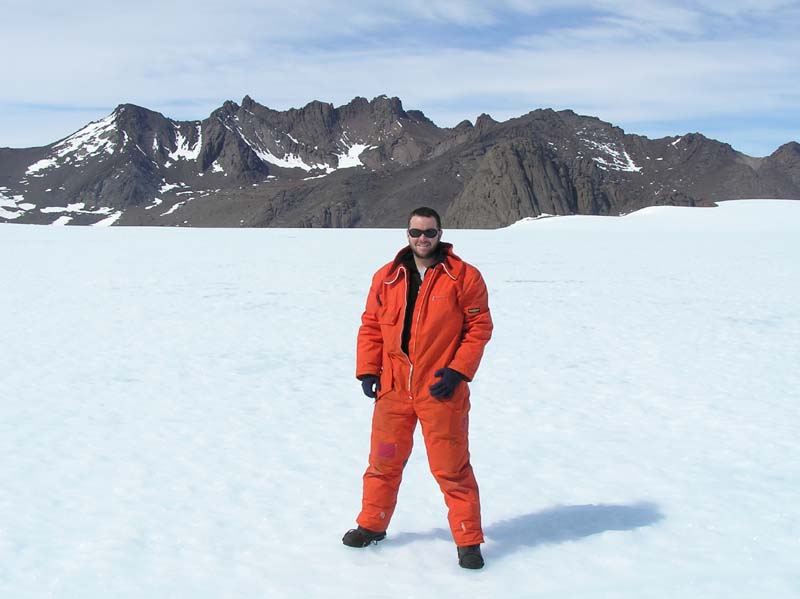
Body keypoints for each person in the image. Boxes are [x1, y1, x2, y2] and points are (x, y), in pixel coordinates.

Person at [342, 206, 493, 570]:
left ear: (440, 234)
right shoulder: (387, 277)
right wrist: (367, 371)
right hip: (393, 391)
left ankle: (467, 540)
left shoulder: (463, 277)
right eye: (415, 232)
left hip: (441, 391)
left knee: (451, 468)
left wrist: (458, 372)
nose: (422, 239)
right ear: (406, 234)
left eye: (429, 232)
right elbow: (371, 326)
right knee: (383, 462)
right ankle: (371, 525)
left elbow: (479, 327)